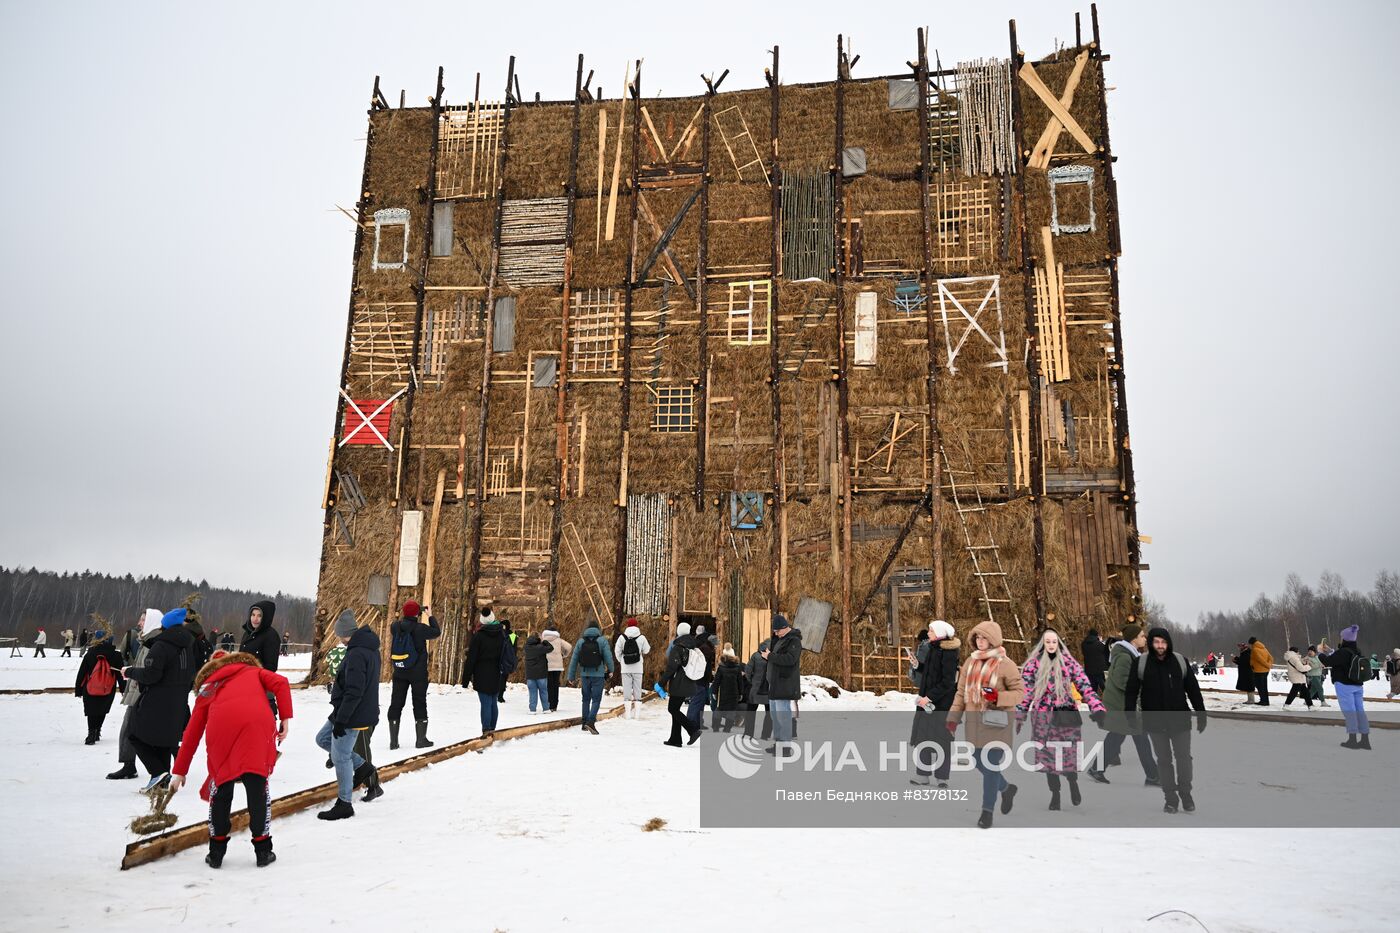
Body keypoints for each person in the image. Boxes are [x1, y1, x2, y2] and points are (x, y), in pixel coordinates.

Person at [169, 649, 293, 868]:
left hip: (221, 733)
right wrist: (284, 718)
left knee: (222, 788)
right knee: (257, 787)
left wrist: (180, 771)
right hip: (256, 728)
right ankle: (263, 850)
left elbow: (192, 733)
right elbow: (281, 683)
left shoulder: (208, 687)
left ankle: (216, 852)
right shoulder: (252, 671)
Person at [1016, 629, 1107, 809]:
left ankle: (1073, 782)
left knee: (1068, 757)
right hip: (1043, 718)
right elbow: (1026, 693)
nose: (1051, 645)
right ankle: (1055, 794)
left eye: (1054, 641)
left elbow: (1085, 686)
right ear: (1042, 644)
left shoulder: (1068, 662)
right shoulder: (1033, 665)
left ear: (1058, 643)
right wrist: (1020, 714)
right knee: (1048, 760)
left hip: (1066, 715)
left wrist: (1097, 707)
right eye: (1047, 641)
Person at [948, 620, 1024, 828]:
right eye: (977, 638)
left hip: (997, 723)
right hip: (975, 724)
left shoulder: (1005, 664)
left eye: (984, 638)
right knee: (978, 761)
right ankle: (1007, 789)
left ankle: (987, 812)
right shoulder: (969, 663)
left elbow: (1020, 693)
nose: (980, 642)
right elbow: (961, 693)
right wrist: (953, 718)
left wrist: (998, 697)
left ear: (993, 640)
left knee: (990, 766)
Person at [1124, 627, 1207, 814]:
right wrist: (1130, 715)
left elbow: (1193, 689)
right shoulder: (1141, 663)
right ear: (1151, 643)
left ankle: (1186, 793)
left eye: (1163, 642)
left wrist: (1201, 713)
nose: (1160, 646)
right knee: (1163, 760)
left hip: (1180, 720)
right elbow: (1131, 691)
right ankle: (1170, 798)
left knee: (1184, 758)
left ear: (1168, 643)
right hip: (1154, 721)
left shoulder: (1179, 661)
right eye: (1156, 642)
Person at [123, 608, 198, 791]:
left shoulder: (161, 645)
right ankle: (161, 781)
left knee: (134, 734)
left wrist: (130, 671)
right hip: (178, 702)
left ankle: (158, 772)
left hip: (156, 700)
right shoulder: (188, 646)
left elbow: (150, 675)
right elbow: (192, 674)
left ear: (164, 625)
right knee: (164, 741)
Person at [316, 610, 381, 821]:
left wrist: (342, 720)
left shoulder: (356, 653)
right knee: (323, 739)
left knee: (340, 756)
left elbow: (355, 691)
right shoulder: (364, 649)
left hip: (353, 713)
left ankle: (344, 804)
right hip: (346, 709)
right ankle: (362, 766)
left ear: (344, 633)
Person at [1090, 623, 1160, 787]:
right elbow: (1122, 681)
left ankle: (1096, 769)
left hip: (1123, 705)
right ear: (1134, 638)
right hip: (1121, 706)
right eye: (1142, 635)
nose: (1145, 638)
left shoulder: (1129, 654)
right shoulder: (1124, 656)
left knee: (1116, 738)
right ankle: (1153, 776)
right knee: (1140, 738)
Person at [109, 609, 163, 779]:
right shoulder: (145, 640)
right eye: (140, 619)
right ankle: (131, 765)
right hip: (137, 691)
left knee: (132, 731)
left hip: (143, 694)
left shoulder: (154, 643)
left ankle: (158, 769)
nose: (139, 623)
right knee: (130, 730)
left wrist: (132, 672)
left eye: (143, 620)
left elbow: (150, 671)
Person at [909, 620, 959, 787]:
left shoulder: (949, 653)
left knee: (942, 740)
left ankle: (942, 777)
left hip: (942, 705)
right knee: (924, 737)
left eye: (930, 630)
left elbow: (947, 682)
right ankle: (922, 774)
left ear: (938, 633)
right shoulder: (933, 648)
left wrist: (928, 697)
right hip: (927, 701)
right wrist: (918, 665)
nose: (928, 633)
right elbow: (930, 673)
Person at [386, 600, 441, 749]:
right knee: (419, 702)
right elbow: (436, 632)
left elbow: (399, 626)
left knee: (396, 703)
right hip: (418, 673)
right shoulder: (420, 628)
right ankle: (421, 740)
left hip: (399, 671)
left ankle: (393, 741)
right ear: (417, 613)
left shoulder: (395, 627)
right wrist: (430, 616)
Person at [1318, 626, 1371, 750]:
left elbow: (1328, 662)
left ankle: (1352, 740)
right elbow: (1339, 658)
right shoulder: (1356, 650)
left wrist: (1320, 653)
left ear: (1345, 639)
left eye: (1342, 637)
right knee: (1360, 711)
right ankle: (1365, 740)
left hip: (1344, 685)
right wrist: (1330, 650)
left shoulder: (1343, 652)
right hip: (1358, 685)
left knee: (1349, 712)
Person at [75, 629, 125, 745]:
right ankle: (97, 731)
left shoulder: (90, 653)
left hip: (90, 688)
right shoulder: (116, 655)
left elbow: (82, 673)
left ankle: (91, 733)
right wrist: (123, 689)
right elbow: (120, 674)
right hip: (108, 688)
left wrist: (78, 690)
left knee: (91, 710)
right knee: (102, 709)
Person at [462, 609, 507, 737]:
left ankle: (487, 729)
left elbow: (471, 659)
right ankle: (492, 728)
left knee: (485, 703)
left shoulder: (479, 636)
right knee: (493, 701)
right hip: (496, 672)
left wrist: (465, 679)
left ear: (482, 620)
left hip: (481, 673)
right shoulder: (501, 634)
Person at [567, 618, 614, 734]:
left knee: (586, 699)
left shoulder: (581, 642)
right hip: (598, 675)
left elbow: (574, 660)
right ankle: (591, 721)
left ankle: (584, 723)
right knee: (596, 699)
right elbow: (608, 657)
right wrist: (611, 670)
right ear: (598, 630)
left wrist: (571, 676)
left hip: (585, 675)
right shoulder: (602, 641)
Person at [659, 622, 702, 747]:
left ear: (679, 631)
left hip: (679, 683)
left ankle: (692, 729)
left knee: (672, 709)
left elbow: (672, 667)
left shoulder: (678, 646)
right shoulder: (692, 646)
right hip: (689, 681)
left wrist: (661, 683)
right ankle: (675, 739)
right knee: (675, 710)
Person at [765, 615, 803, 753]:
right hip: (774, 684)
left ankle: (786, 748)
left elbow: (790, 659)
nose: (775, 633)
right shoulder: (780, 640)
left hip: (784, 684)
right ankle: (778, 744)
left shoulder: (794, 640)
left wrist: (770, 656)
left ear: (784, 628)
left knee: (783, 717)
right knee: (775, 717)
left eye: (777, 631)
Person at [614, 617, 651, 720]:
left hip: (625, 668)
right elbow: (647, 650)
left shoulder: (622, 638)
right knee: (637, 690)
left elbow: (617, 651)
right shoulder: (642, 637)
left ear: (628, 626)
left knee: (627, 690)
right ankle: (637, 715)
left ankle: (628, 715)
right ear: (637, 625)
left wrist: (622, 661)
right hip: (638, 668)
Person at [687, 623, 716, 733]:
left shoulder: (697, 643)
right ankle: (692, 722)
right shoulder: (705, 646)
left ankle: (698, 722)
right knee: (698, 700)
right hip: (702, 676)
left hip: (699, 676)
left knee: (699, 699)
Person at [239, 600, 281, 673]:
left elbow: (271, 667)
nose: (255, 619)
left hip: (258, 681)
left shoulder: (271, 635)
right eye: (253, 615)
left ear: (266, 617)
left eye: (259, 616)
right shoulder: (247, 633)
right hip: (242, 677)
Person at [711, 644, 745, 732]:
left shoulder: (721, 668)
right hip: (734, 693)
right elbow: (740, 682)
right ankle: (727, 728)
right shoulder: (737, 668)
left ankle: (715, 727)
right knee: (731, 711)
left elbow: (716, 681)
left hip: (723, 693)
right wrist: (741, 693)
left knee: (719, 709)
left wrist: (714, 691)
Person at [743, 638, 772, 740]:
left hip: (755, 689)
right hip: (769, 690)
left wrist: (752, 681)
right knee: (769, 713)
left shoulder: (756, 655)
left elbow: (748, 670)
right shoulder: (774, 657)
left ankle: (748, 734)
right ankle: (765, 735)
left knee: (751, 712)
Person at [541, 624, 571, 713]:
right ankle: (555, 705)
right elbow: (569, 647)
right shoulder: (559, 640)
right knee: (555, 685)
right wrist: (564, 655)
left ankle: (550, 704)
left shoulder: (543, 640)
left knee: (549, 685)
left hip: (547, 666)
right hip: (558, 666)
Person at [523, 633, 552, 714]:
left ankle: (532, 709)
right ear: (538, 639)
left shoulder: (526, 648)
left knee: (532, 692)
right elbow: (551, 648)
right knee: (543, 691)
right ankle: (546, 708)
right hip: (541, 674)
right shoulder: (540, 647)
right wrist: (545, 641)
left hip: (530, 675)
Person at [1080, 628, 1109, 693]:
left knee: (1093, 690)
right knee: (1105, 689)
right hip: (1100, 670)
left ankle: (1093, 701)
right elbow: (1106, 652)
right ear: (1096, 635)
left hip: (1089, 670)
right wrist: (1101, 641)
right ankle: (1108, 701)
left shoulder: (1083, 644)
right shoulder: (1099, 644)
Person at [1249, 636, 1274, 706]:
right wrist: (1269, 665)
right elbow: (1271, 658)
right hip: (1265, 671)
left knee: (1259, 686)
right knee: (1264, 686)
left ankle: (1263, 701)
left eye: (1249, 644)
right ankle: (1266, 701)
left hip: (1258, 671)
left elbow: (1260, 660)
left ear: (1251, 643)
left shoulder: (1255, 649)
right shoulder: (1264, 648)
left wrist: (1268, 665)